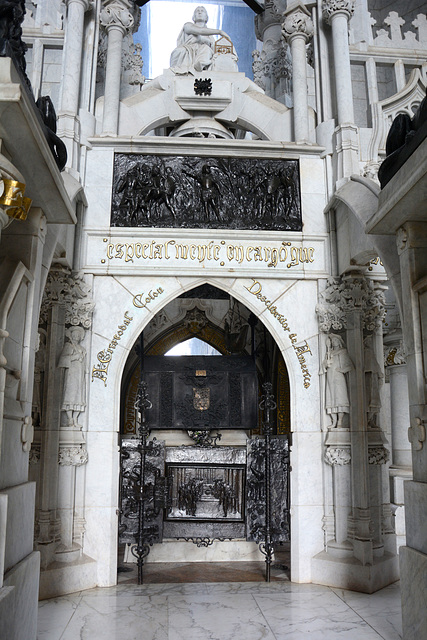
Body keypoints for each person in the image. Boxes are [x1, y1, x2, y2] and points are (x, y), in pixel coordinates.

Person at [170, 6, 230, 73]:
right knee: (180, 51)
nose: (199, 12)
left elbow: (214, 47)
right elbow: (200, 31)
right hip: (188, 50)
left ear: (206, 17)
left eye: (202, 11)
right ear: (194, 17)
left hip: (203, 51)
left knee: (206, 49)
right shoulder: (187, 25)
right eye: (197, 11)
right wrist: (219, 32)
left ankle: (199, 65)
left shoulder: (210, 36)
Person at [322, 333, 353, 428]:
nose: (334, 342)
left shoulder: (343, 352)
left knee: (340, 398)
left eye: (335, 340)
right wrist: (326, 364)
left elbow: (350, 366)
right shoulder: (329, 353)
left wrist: (342, 370)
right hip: (330, 377)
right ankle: (334, 421)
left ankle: (340, 421)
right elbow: (324, 366)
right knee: (331, 398)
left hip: (338, 377)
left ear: (339, 342)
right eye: (332, 341)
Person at [58, 326, 87, 428]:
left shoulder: (82, 349)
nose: (76, 337)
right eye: (74, 335)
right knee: (70, 395)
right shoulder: (69, 346)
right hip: (71, 375)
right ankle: (69, 418)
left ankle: (75, 418)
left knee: (78, 396)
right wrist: (75, 357)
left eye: (78, 335)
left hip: (79, 376)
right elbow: (62, 360)